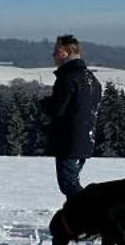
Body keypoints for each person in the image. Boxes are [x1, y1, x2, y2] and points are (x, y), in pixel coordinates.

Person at [40, 34, 103, 199]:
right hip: (84, 140)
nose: (53, 54)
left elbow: (57, 109)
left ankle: (92, 216)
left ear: (66, 52)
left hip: (68, 142)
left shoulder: (67, 78)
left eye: (56, 50)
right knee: (72, 183)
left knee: (69, 186)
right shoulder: (91, 79)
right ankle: (78, 221)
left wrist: (44, 104)